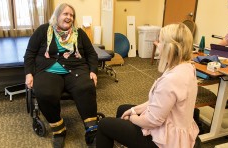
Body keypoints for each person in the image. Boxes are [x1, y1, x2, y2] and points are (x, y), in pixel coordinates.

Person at [96, 23, 200, 148]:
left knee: (104, 125)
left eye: (160, 42)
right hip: (175, 125)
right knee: (123, 109)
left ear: (170, 48)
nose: (156, 44)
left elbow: (152, 121)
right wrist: (133, 110)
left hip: (168, 142)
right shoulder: (186, 67)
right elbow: (158, 101)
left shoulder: (171, 80)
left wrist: (132, 118)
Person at [24, 3, 98, 148]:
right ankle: (59, 130)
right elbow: (29, 54)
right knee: (45, 92)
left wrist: (93, 71)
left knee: (86, 87)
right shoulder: (43, 30)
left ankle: (92, 132)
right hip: (48, 70)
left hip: (75, 69)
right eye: (65, 14)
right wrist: (28, 74)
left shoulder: (79, 33)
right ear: (57, 16)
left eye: (71, 15)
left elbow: (91, 54)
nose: (69, 17)